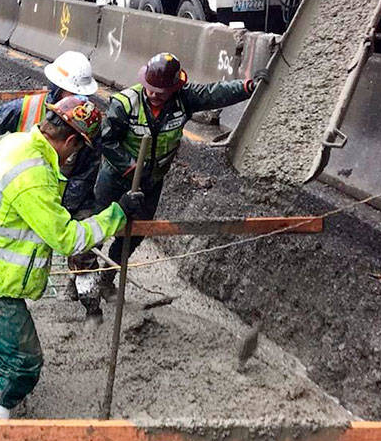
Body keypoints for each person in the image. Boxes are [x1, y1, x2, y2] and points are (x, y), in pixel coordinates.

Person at [0, 97, 143, 418]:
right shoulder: (33, 175)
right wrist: (116, 214)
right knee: (23, 361)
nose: (75, 157)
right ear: (72, 141)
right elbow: (66, 239)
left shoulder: (15, 143)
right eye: (78, 149)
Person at [94, 52, 264, 291]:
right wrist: (130, 165)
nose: (153, 94)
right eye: (150, 88)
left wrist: (247, 87)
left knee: (134, 233)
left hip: (150, 183)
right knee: (97, 228)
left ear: (174, 88)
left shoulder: (184, 99)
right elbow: (106, 141)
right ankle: (82, 280)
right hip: (115, 178)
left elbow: (214, 93)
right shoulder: (124, 104)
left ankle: (106, 278)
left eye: (161, 92)